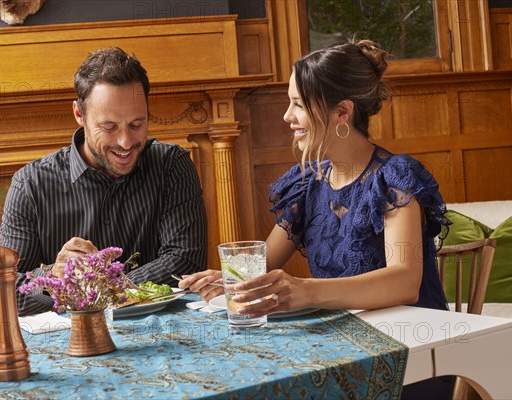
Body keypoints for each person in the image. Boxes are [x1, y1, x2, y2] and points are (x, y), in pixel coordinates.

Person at [180, 38, 453, 399]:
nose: (287, 116)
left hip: (411, 355)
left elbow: (405, 281)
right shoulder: (308, 183)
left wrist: (306, 291)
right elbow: (262, 263)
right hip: (342, 349)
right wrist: (232, 281)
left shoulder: (394, 177)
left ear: (342, 112)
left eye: (297, 105)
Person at [0, 47, 207, 316]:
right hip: (74, 346)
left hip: (165, 339)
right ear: (79, 114)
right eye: (109, 127)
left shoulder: (172, 165)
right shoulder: (29, 185)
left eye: (136, 124)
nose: (126, 142)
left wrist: (96, 285)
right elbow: (4, 296)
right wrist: (53, 275)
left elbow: (186, 259)